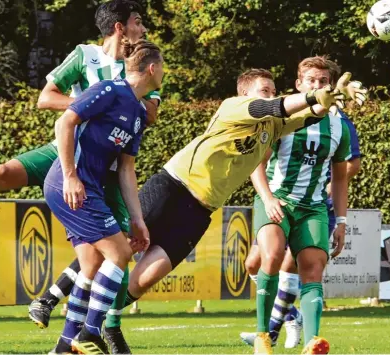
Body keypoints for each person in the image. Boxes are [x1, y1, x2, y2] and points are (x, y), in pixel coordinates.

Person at [111, 69, 366, 335]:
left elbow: (306, 117)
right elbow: (276, 106)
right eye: (264, 90)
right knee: (117, 250)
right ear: (244, 94)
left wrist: (330, 98)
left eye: (273, 89)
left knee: (146, 278)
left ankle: (106, 322)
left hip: (201, 210)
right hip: (173, 186)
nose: (271, 94)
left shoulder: (272, 126)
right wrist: (314, 94)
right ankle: (78, 316)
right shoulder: (234, 107)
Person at [0, 0, 155, 351]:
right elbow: (45, 98)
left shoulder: (140, 64)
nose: (142, 29)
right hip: (68, 149)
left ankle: (86, 333)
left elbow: (149, 113)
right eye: (138, 22)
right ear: (119, 27)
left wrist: (102, 106)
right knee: (1, 171)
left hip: (106, 166)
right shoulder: (85, 56)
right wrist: (91, 106)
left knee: (101, 258)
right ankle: (92, 329)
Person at [236, 57, 366, 355]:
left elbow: (341, 177)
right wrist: (268, 198)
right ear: (299, 84)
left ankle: (312, 342)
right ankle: (262, 336)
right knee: (269, 257)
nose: (317, 86)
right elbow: (257, 161)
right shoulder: (281, 117)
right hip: (277, 200)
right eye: (311, 81)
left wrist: (343, 222)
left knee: (313, 267)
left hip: (313, 208)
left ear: (331, 86)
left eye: (323, 82)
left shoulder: (340, 127)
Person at [44, 39, 163, 355]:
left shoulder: (137, 113)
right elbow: (65, 121)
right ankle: (91, 332)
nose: (163, 74)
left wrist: (137, 220)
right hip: (70, 184)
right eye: (162, 68)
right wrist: (70, 175)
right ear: (152, 68)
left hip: (89, 188)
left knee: (93, 263)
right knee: (120, 255)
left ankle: (63, 346)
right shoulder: (110, 90)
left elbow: (126, 169)